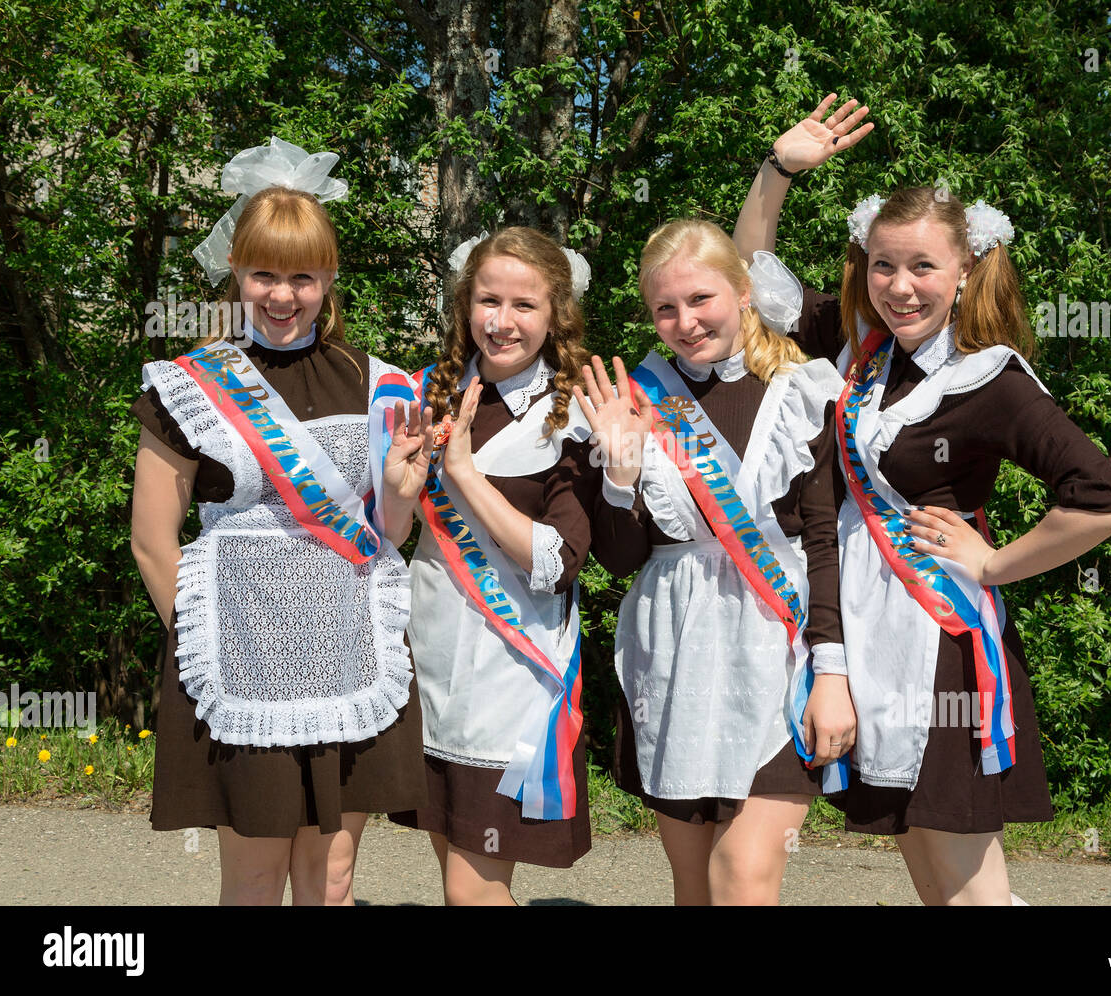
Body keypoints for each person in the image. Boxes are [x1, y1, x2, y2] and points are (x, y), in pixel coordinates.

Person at [734, 99, 1111, 905]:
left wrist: (994, 563)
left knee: (966, 885)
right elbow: (751, 280)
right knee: (931, 875)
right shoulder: (860, 352)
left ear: (965, 272)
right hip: (861, 637)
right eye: (883, 265)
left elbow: (1102, 500)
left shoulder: (994, 378)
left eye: (922, 266)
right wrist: (777, 171)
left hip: (939, 641)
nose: (900, 286)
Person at [130, 137, 428, 906]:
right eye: (265, 273)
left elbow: (388, 537)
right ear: (236, 272)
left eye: (303, 276)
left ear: (329, 278)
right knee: (255, 884)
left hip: (348, 652)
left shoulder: (378, 382)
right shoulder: (190, 385)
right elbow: (151, 540)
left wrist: (398, 491)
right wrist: (206, 646)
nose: (283, 295)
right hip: (240, 664)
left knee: (331, 882)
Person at [579, 219, 856, 905]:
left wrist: (833, 672)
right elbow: (619, 560)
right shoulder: (637, 398)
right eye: (665, 308)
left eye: (701, 299)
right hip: (674, 648)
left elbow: (824, 540)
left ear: (743, 291)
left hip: (779, 644)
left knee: (745, 872)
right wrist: (618, 474)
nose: (685, 321)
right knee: (693, 883)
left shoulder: (802, 388)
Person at [380, 228, 598, 905]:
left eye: (524, 305)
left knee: (473, 891)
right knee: (455, 874)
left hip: (513, 674)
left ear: (556, 313)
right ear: (463, 304)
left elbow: (559, 562)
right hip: (434, 659)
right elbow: (392, 535)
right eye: (487, 301)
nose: (502, 322)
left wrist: (465, 472)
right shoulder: (430, 394)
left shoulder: (577, 413)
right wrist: (398, 491)